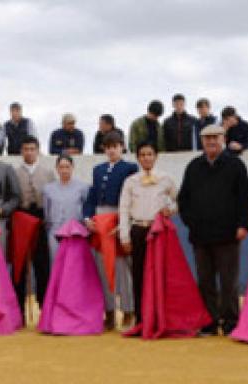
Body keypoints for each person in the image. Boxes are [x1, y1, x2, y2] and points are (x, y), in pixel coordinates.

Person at [178, 125, 248, 336]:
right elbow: (184, 200)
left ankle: (231, 322)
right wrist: (192, 223)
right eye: (207, 138)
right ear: (201, 141)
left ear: (223, 139)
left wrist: (243, 225)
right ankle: (209, 322)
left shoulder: (236, 165)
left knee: (229, 282)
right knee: (205, 281)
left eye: (215, 137)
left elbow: (244, 198)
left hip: (228, 234)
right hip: (201, 236)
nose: (211, 141)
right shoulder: (193, 167)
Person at [118, 142, 178, 327]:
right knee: (138, 275)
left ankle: (161, 316)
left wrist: (172, 209)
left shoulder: (166, 179)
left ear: (156, 156)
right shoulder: (131, 181)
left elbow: (180, 200)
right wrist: (124, 236)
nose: (146, 158)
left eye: (149, 154)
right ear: (138, 158)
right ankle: (141, 317)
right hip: (138, 230)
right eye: (142, 155)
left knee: (160, 274)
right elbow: (124, 209)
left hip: (158, 231)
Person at [83, 131, 139, 330]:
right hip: (100, 222)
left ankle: (128, 310)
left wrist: (125, 223)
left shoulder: (130, 168)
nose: (111, 150)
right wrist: (88, 218)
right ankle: (108, 312)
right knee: (102, 269)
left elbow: (134, 198)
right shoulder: (98, 170)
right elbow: (92, 197)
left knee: (123, 269)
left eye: (115, 146)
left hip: (119, 219)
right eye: (108, 147)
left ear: (122, 147)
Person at [13, 136, 55, 314]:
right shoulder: (14, 172)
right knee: (20, 263)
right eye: (26, 149)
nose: (29, 152)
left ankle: (44, 305)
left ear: (38, 151)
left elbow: (52, 199)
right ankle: (18, 308)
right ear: (21, 151)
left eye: (32, 149)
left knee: (42, 263)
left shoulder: (48, 173)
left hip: (40, 218)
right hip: (21, 217)